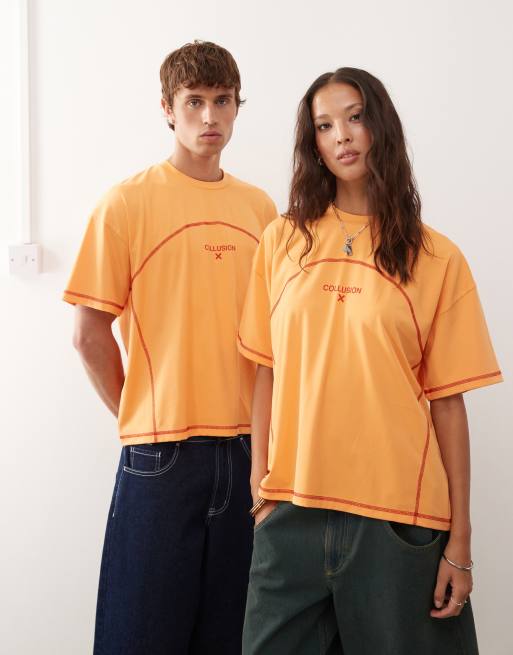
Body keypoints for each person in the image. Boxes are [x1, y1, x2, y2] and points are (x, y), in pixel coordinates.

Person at [238, 67, 502, 655]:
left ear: (381, 126)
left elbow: (448, 405)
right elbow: (265, 370)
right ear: (313, 143)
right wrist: (260, 486)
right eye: (324, 125)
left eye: (355, 117)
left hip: (399, 522)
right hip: (293, 509)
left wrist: (460, 544)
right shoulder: (282, 242)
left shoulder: (437, 258)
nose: (342, 135)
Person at [63, 40, 276, 655]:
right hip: (160, 455)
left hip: (248, 453)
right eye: (194, 102)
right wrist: (139, 415)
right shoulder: (126, 204)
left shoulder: (260, 209)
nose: (210, 117)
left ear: (237, 106)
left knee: (232, 637)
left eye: (223, 101)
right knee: (140, 636)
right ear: (167, 108)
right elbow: (88, 333)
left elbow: (274, 343)